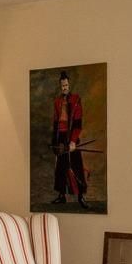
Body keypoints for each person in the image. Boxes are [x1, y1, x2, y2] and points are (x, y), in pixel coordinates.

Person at [51, 70, 89, 207]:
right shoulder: (57, 101)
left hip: (71, 136)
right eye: (62, 86)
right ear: (60, 86)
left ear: (69, 85)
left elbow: (78, 124)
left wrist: (73, 141)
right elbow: (55, 122)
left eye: (66, 85)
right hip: (60, 137)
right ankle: (61, 196)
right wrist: (54, 142)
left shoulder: (76, 99)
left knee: (76, 166)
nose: (64, 88)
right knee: (61, 167)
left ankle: (81, 197)